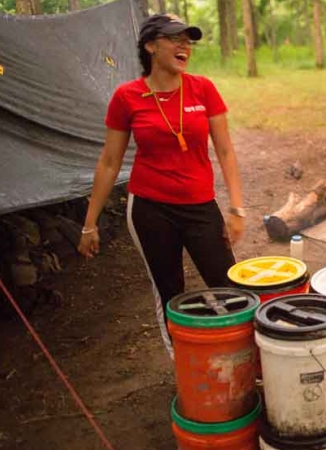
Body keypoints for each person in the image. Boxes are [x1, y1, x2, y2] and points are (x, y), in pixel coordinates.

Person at [78, 14, 245, 358]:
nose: (184, 46)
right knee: (170, 291)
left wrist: (236, 208)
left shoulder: (203, 88)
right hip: (150, 208)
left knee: (228, 284)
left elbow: (226, 151)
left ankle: (242, 360)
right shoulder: (128, 97)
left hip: (201, 205)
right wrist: (89, 223)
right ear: (151, 46)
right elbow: (109, 162)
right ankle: (184, 366)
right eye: (174, 39)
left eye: (188, 40)